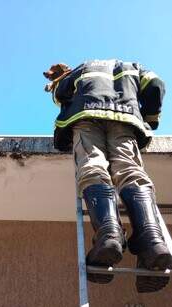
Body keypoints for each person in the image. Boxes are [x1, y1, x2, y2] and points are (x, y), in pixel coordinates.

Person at [43, 59, 172, 293]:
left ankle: (109, 233)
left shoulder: (82, 68)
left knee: (93, 168)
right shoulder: (133, 67)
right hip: (125, 119)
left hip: (86, 118)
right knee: (130, 171)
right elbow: (155, 84)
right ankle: (151, 239)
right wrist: (150, 118)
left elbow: (61, 94)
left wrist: (59, 83)